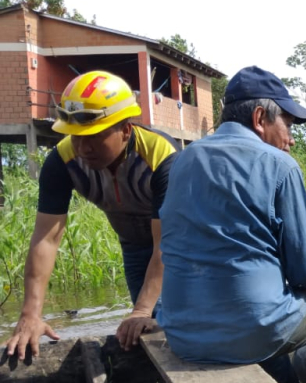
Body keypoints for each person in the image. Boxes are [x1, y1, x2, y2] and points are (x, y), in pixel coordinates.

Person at [157, 66, 306, 383]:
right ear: (260, 119)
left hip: (182, 335)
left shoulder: (184, 160)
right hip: (248, 332)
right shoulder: (279, 164)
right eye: (286, 123)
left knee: (262, 302)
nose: (291, 137)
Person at [4, 71, 178, 360]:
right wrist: (30, 315)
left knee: (173, 319)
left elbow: (167, 243)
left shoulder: (161, 156)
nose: (84, 148)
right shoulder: (62, 162)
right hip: (134, 245)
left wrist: (142, 310)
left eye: (95, 136)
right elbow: (46, 239)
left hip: (179, 245)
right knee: (146, 330)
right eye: (76, 136)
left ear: (125, 128)